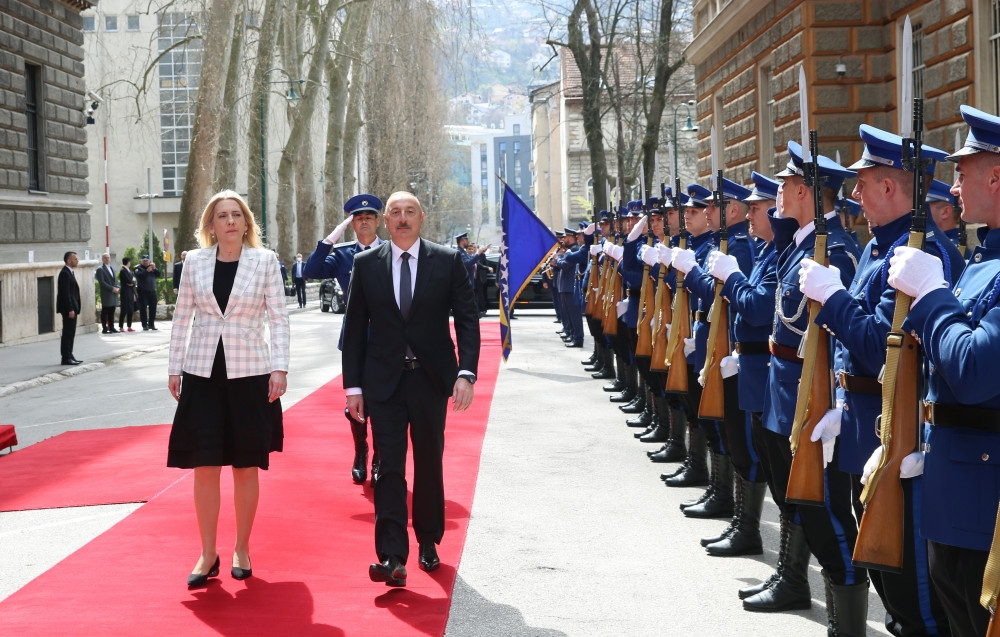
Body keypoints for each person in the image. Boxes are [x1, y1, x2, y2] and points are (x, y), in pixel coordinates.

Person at [799, 124, 961, 635]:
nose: (853, 196)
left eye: (863, 184)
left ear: (890, 188)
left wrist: (834, 299)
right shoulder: (878, 248)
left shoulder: (919, 253)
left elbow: (880, 352)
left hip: (898, 435)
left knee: (915, 594)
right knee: (883, 574)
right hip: (864, 423)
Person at [885, 104, 1000, 637]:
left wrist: (931, 297)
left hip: (982, 485)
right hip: (954, 470)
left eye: (961, 172)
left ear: (995, 176)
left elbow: (975, 369)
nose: (952, 187)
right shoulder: (982, 260)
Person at [342, 190, 480, 588]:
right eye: (395, 213)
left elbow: (467, 320)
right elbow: (354, 330)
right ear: (386, 221)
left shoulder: (448, 260)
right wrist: (353, 387)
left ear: (422, 218)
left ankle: (428, 540)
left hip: (430, 380)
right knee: (388, 469)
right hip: (382, 382)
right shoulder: (366, 265)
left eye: (410, 212)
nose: (402, 219)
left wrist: (466, 373)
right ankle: (391, 556)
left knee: (429, 462)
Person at [166, 189, 289, 589]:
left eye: (237, 215)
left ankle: (241, 547)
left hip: (251, 372)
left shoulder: (265, 261)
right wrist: (174, 369)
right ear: (211, 225)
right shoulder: (194, 264)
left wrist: (280, 368)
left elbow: (280, 319)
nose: (231, 221)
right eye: (222, 216)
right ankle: (207, 552)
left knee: (245, 464)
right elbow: (181, 319)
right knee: (204, 465)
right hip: (202, 374)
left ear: (247, 223)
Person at [304, 193, 385, 486]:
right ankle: (361, 451)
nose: (364, 222)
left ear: (379, 221)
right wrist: (331, 237)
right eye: (358, 218)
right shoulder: (342, 254)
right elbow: (311, 270)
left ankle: (379, 457)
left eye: (369, 217)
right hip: (355, 339)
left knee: (383, 401)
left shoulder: (391, 250)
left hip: (388, 338)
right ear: (352, 224)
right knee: (356, 400)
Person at [56, 251, 81, 365]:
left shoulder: (70, 272)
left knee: (71, 333)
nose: (77, 261)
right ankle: (65, 358)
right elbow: (65, 294)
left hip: (73, 308)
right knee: (67, 333)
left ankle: (70, 355)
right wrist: (70, 309)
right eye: (75, 259)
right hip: (68, 309)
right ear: (68, 260)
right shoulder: (65, 273)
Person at [95, 252, 120, 334]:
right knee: (105, 311)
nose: (107, 259)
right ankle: (104, 328)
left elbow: (115, 280)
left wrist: (117, 287)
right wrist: (112, 288)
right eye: (105, 258)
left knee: (112, 311)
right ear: (102, 259)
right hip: (106, 293)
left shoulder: (112, 268)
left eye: (108, 257)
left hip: (114, 293)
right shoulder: (100, 269)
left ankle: (112, 327)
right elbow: (102, 282)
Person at [134, 254, 160, 330]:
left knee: (153, 308)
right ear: (141, 261)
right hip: (142, 292)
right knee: (143, 309)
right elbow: (139, 276)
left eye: (147, 260)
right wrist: (146, 271)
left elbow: (158, 274)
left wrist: (154, 269)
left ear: (149, 261)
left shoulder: (152, 267)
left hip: (152, 291)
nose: (145, 262)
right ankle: (144, 325)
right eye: (144, 260)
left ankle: (151, 324)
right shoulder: (137, 268)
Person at [118, 257, 137, 332]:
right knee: (124, 310)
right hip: (125, 292)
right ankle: (121, 326)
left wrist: (132, 282)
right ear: (128, 262)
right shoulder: (123, 271)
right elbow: (129, 281)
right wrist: (132, 282)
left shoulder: (129, 271)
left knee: (130, 310)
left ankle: (129, 326)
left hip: (130, 291)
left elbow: (133, 281)